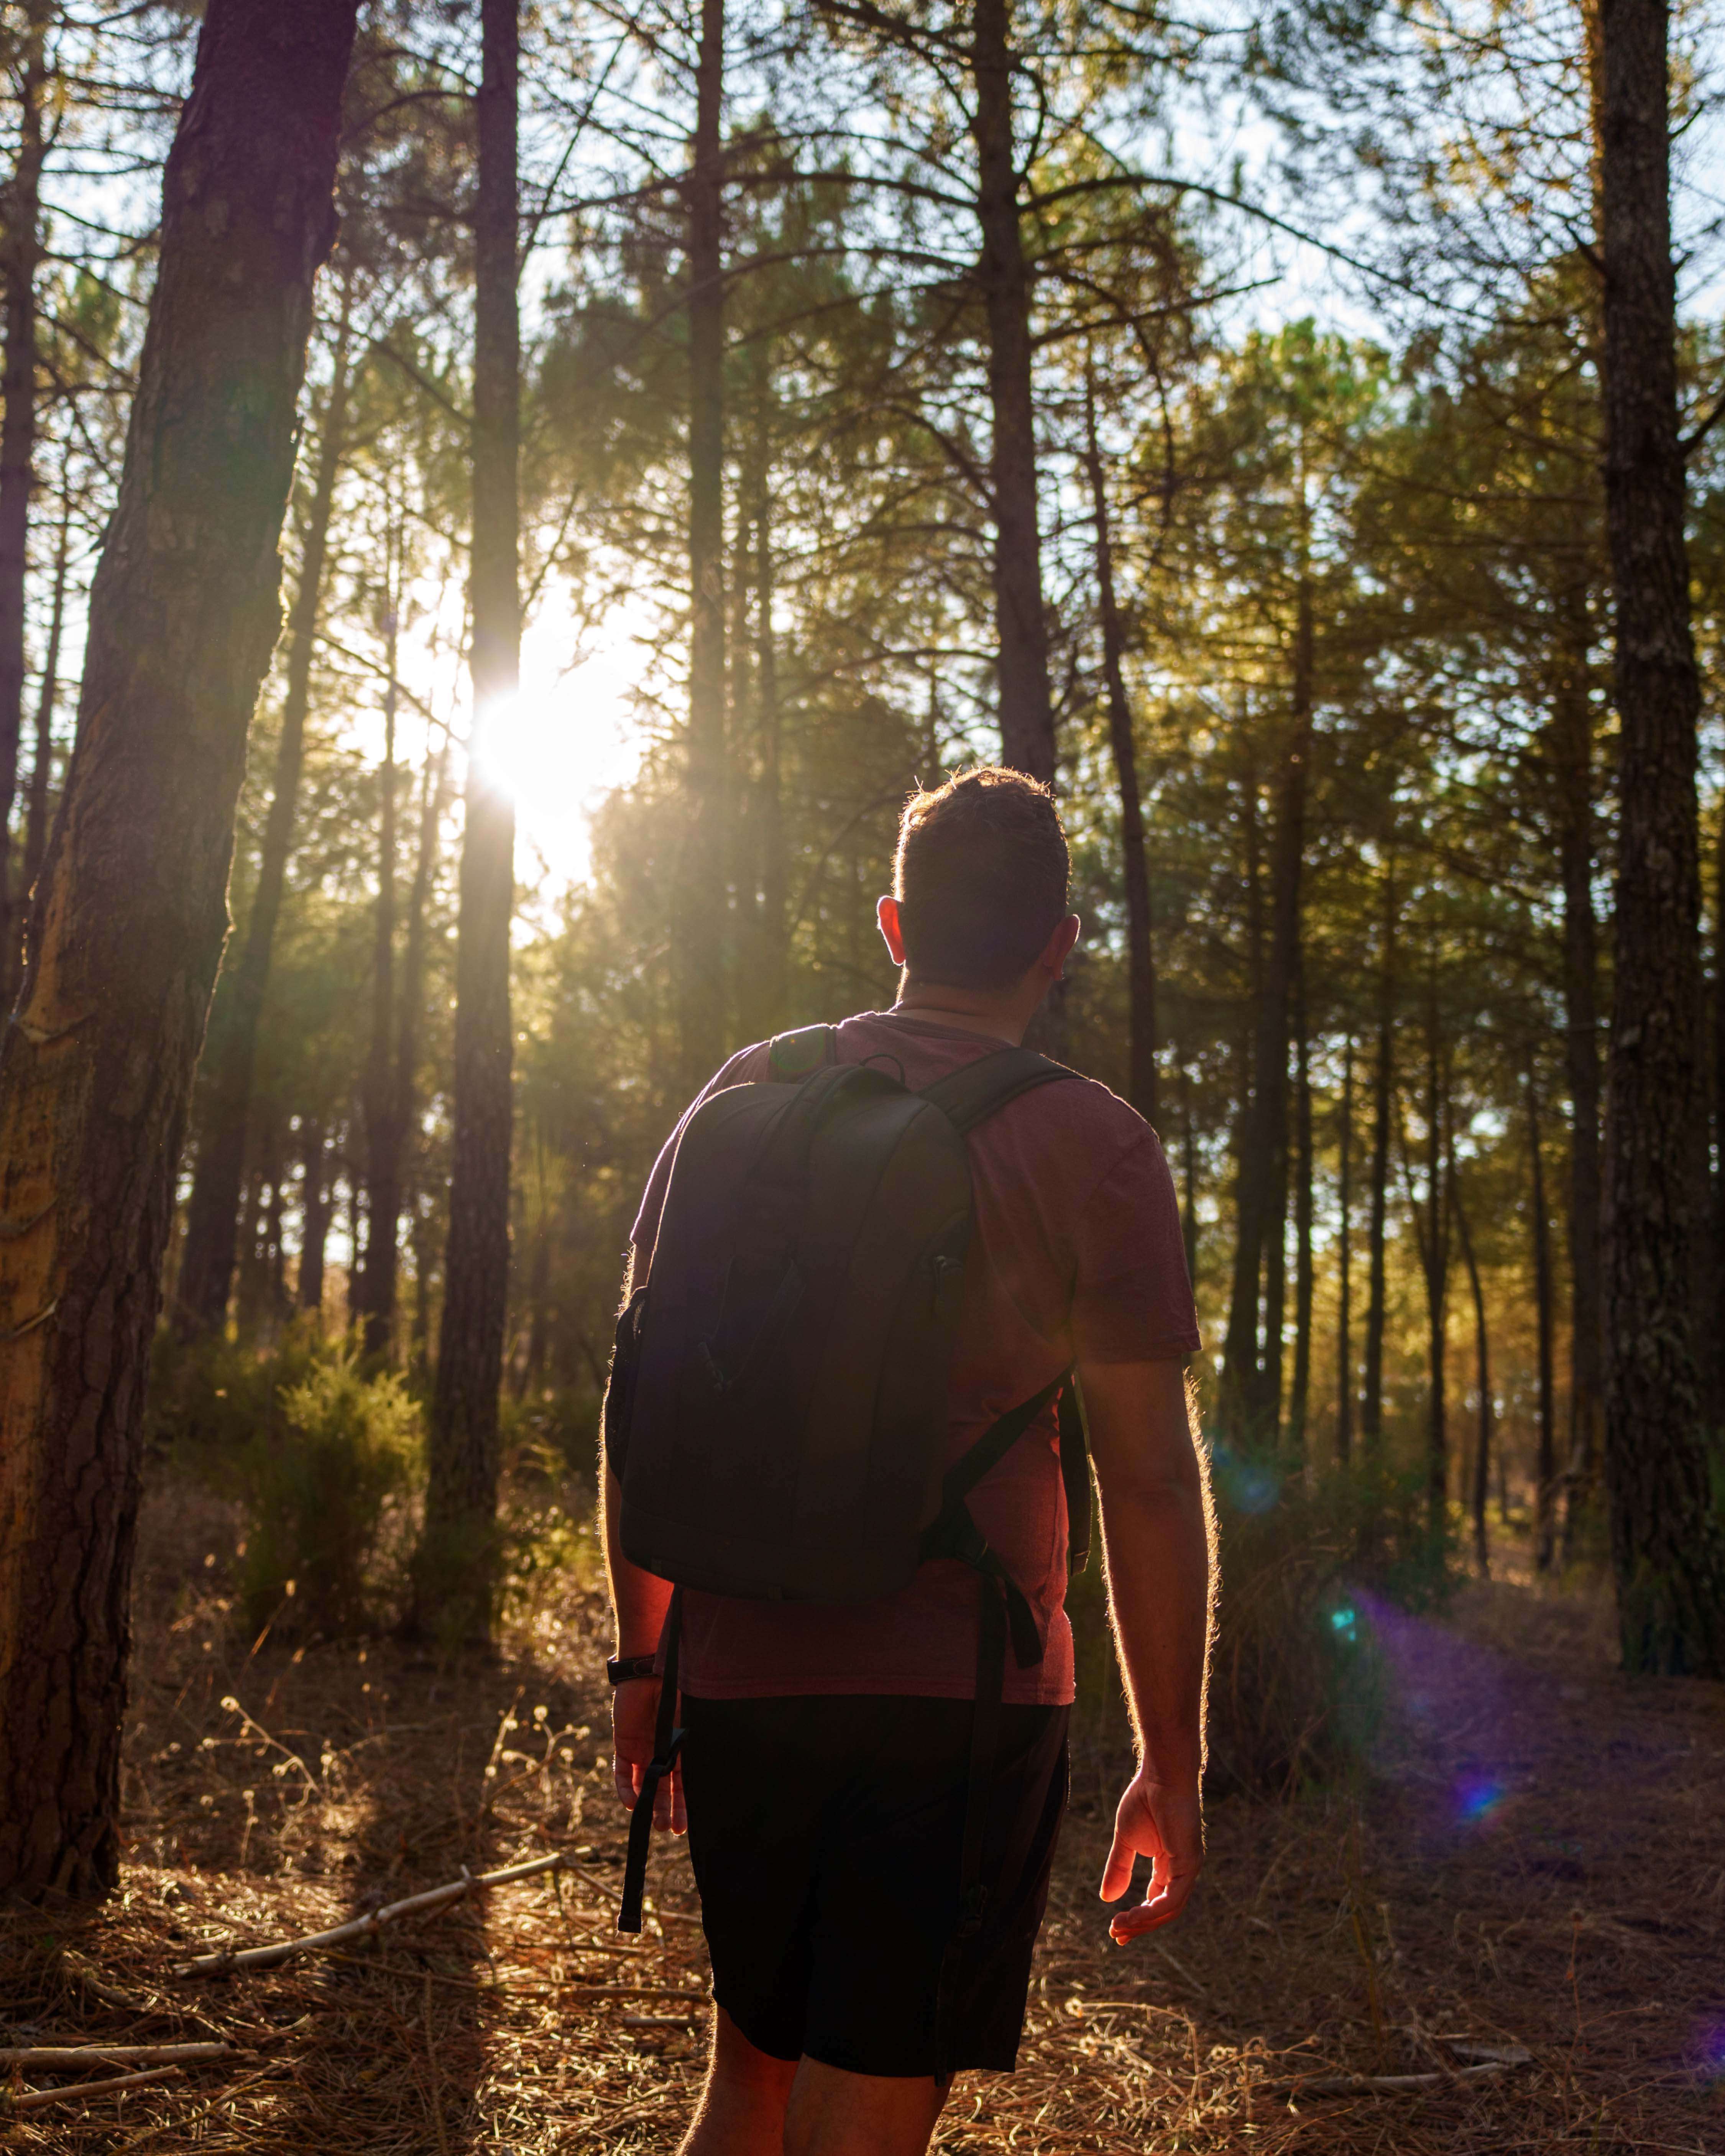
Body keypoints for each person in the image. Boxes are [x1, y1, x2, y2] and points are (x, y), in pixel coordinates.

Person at [601, 766, 1212, 2156]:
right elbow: (1150, 1481)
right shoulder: (1094, 1144)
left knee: (747, 2085)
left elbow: (643, 1390)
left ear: (892, 924)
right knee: (862, 2117)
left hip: (745, 1670)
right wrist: (1167, 1763)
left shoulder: (745, 1090)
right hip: (960, 1697)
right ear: (1056, 948)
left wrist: (648, 1663)